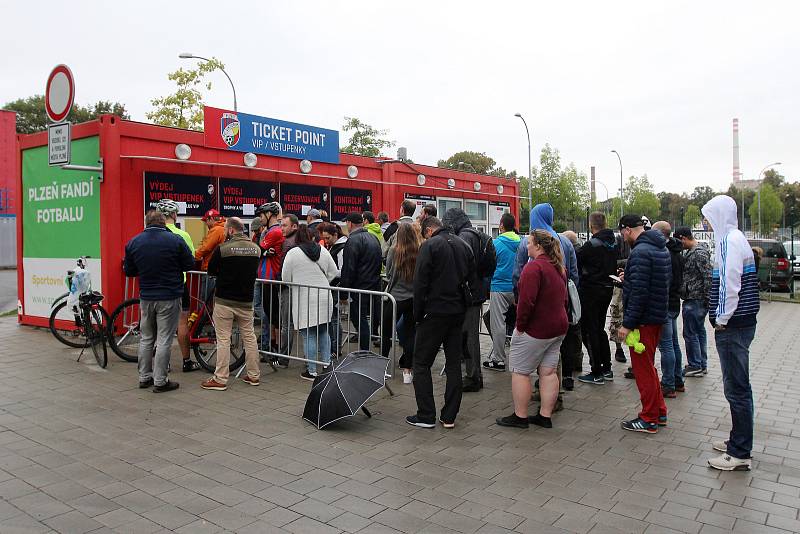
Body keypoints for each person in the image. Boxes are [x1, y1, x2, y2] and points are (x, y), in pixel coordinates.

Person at [702, 195, 760, 471]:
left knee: (736, 388)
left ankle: (739, 452)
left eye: (709, 217)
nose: (707, 223)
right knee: (740, 387)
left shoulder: (728, 242)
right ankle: (739, 440)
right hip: (743, 322)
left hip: (733, 325)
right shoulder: (738, 238)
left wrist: (720, 319)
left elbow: (728, 284)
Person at [496, 230, 569, 429]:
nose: (526, 245)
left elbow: (525, 302)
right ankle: (545, 416)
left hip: (537, 328)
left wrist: (520, 327)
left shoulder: (533, 269)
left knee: (520, 371)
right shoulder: (558, 267)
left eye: (529, 242)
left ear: (537, 245)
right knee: (548, 372)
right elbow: (564, 299)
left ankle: (520, 416)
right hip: (558, 326)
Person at [406, 216, 474, 429]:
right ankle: (449, 415)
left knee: (421, 363)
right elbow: (471, 275)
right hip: (458, 311)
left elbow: (420, 283)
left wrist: (417, 315)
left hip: (434, 312)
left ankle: (426, 414)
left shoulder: (430, 246)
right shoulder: (463, 245)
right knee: (454, 363)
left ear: (427, 230)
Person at [513, 204, 578, 408]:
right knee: (551, 361)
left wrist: (520, 322)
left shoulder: (528, 244)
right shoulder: (565, 241)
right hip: (559, 310)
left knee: (522, 368)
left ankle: (524, 407)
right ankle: (553, 398)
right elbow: (574, 275)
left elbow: (518, 275)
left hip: (536, 314)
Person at [124, 210, 194, 392]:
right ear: (164, 222)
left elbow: (129, 271)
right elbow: (189, 264)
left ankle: (144, 377)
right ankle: (160, 381)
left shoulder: (134, 242)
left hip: (146, 297)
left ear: (146, 223)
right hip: (170, 296)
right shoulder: (176, 240)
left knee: (146, 338)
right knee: (164, 338)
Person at [616, 214, 670, 433]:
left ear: (628, 230)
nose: (623, 237)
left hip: (643, 320)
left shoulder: (639, 252)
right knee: (649, 366)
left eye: (622, 233)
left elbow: (639, 292)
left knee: (643, 370)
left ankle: (648, 418)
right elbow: (653, 283)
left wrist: (627, 324)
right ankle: (660, 411)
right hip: (656, 315)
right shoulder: (661, 248)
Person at [200, 218, 262, 391]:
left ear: (231, 231)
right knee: (249, 338)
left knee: (223, 339)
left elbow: (211, 270)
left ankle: (220, 379)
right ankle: (254, 375)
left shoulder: (223, 249)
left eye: (226, 229)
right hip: (246, 301)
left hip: (225, 301)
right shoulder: (256, 249)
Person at [442, 208, 495, 393]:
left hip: (468, 295)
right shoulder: (477, 235)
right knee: (470, 335)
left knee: (469, 337)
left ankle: (473, 377)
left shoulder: (464, 237)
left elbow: (459, 267)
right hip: (476, 291)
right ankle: (474, 375)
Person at [282, 225, 339, 380]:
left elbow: (285, 278)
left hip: (304, 298)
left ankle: (312, 370)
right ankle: (327, 366)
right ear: (313, 237)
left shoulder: (293, 253)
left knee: (308, 334)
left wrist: (298, 283)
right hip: (324, 295)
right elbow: (334, 272)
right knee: (323, 331)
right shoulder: (323, 251)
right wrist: (322, 282)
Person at [156, 199, 201, 373]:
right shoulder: (183, 235)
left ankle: (164, 364)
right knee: (182, 323)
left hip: (159, 287)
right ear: (174, 215)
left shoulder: (152, 234)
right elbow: (191, 259)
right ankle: (186, 361)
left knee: (163, 326)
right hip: (179, 285)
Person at [576, 211, 618, 386]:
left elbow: (576, 263)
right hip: (607, 289)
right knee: (600, 328)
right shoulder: (613, 243)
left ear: (591, 225)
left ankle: (596, 371)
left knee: (590, 329)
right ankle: (607, 368)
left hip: (591, 291)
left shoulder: (590, 245)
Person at [382, 223, 420, 384]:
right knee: (410, 334)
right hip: (413, 298)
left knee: (386, 333)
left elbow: (389, 272)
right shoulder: (420, 251)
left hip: (395, 297)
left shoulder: (394, 251)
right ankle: (407, 371)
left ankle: (382, 367)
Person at [339, 212, 382, 350]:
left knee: (360, 321)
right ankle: (365, 351)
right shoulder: (373, 238)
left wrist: (344, 293)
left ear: (350, 224)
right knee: (363, 320)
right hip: (373, 286)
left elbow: (348, 269)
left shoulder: (352, 241)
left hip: (358, 288)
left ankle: (364, 352)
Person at [652, 221, 685, 398]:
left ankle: (668, 383)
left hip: (664, 303)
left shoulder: (665, 253)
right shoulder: (677, 252)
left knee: (666, 345)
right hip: (674, 302)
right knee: (673, 343)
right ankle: (677, 380)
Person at [674, 227, 712, 377]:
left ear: (683, 238)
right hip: (695, 297)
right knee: (699, 331)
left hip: (695, 298)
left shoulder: (698, 253)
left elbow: (708, 276)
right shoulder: (695, 251)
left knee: (690, 333)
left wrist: (707, 298)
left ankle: (695, 364)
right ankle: (701, 364)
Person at [484, 212, 519, 372]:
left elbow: (489, 265)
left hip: (498, 286)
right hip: (517, 287)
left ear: (502, 226)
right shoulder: (522, 242)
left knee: (498, 323)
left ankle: (498, 360)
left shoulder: (496, 244)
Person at [256, 202, 285, 358]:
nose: (260, 218)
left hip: (271, 277)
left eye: (261, 215)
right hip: (266, 278)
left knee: (274, 316)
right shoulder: (269, 231)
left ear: (269, 215)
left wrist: (263, 252)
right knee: (269, 314)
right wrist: (265, 252)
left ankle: (276, 350)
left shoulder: (274, 232)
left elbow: (256, 250)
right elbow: (260, 251)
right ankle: (273, 348)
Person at [558, 230, 584, 390]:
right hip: (569, 297)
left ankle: (553, 376)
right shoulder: (570, 247)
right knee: (570, 337)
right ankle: (568, 375)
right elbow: (575, 275)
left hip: (559, 300)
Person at [319, 222, 347, 357]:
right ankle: (334, 346)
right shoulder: (335, 246)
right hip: (332, 286)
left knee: (335, 319)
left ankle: (336, 348)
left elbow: (342, 270)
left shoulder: (341, 248)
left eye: (328, 238)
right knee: (333, 319)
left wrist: (329, 273)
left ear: (335, 235)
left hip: (335, 286)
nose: (326, 241)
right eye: (324, 238)